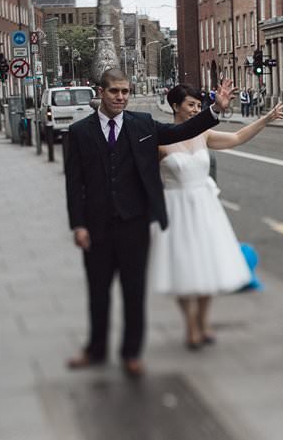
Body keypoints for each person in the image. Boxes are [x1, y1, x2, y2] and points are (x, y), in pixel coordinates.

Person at [64, 68, 234, 377]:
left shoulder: (142, 125)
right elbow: (74, 184)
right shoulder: (79, 133)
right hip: (97, 226)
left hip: (134, 224)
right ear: (101, 92)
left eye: (125, 92)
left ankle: (131, 353)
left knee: (134, 293)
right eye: (114, 91)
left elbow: (181, 132)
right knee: (98, 292)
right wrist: (78, 225)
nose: (120, 97)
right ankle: (96, 349)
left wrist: (214, 110)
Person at [147, 84, 283, 350]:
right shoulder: (160, 140)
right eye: (190, 105)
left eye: (199, 106)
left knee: (206, 264)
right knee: (183, 268)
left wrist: (265, 120)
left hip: (205, 207)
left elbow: (237, 138)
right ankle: (190, 325)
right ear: (175, 106)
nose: (195, 110)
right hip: (176, 208)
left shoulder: (204, 135)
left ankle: (203, 321)